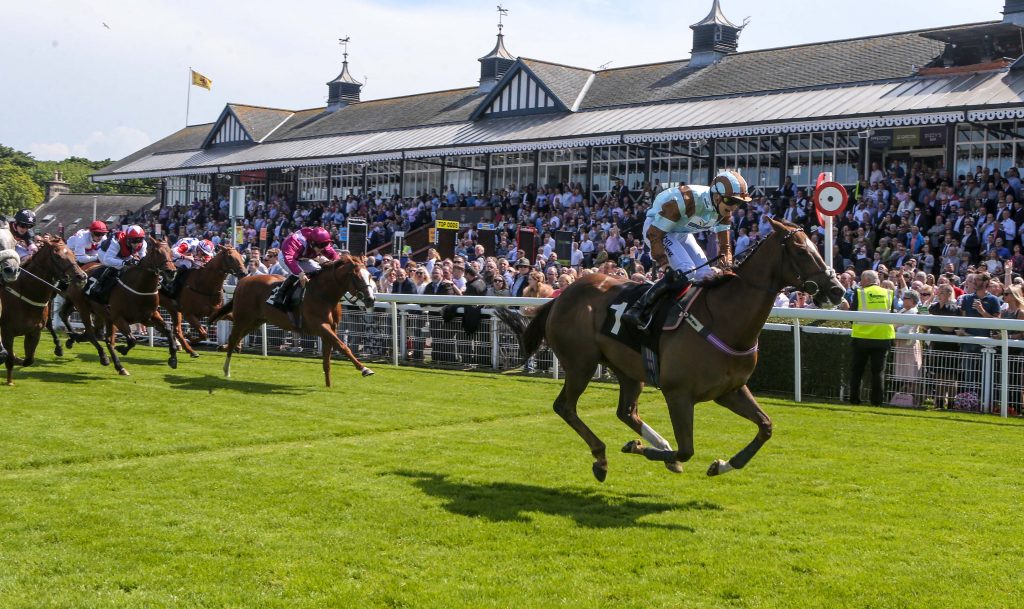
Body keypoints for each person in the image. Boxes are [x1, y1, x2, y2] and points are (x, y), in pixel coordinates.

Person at [622, 170, 752, 330]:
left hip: (681, 232)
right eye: (731, 201)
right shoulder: (685, 200)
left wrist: (727, 267)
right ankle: (639, 308)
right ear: (717, 196)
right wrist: (664, 264)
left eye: (738, 203)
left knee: (706, 274)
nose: (734, 207)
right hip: (656, 229)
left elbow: (725, 249)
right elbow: (654, 234)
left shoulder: (724, 210)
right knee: (686, 271)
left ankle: (698, 314)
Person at [849, 270, 896, 406]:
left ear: (865, 280)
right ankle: (876, 402)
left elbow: (852, 316)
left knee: (857, 371)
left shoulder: (860, 292)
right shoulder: (888, 293)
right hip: (882, 338)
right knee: (878, 372)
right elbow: (892, 314)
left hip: (861, 337)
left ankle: (854, 399)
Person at [267, 226, 338, 310]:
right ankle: (279, 295)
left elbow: (334, 256)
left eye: (324, 246)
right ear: (312, 243)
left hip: (303, 257)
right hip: (287, 258)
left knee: (318, 270)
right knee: (298, 274)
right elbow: (289, 259)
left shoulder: (321, 242)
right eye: (320, 247)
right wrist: (300, 273)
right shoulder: (296, 241)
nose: (323, 249)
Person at [87, 225, 148, 300]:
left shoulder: (143, 244)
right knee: (118, 267)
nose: (137, 244)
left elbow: (143, 259)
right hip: (105, 254)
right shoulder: (116, 242)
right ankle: (98, 285)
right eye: (134, 240)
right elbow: (107, 259)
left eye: (140, 240)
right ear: (127, 239)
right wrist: (124, 263)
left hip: (123, 255)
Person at [927, 284, 960, 409]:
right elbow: (923, 315)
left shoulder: (953, 308)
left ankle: (951, 403)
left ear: (948, 293)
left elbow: (949, 327)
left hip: (950, 347)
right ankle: (939, 402)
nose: (938, 295)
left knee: (950, 377)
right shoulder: (934, 307)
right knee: (938, 376)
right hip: (936, 345)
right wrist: (929, 298)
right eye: (937, 292)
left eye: (941, 292)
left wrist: (933, 320)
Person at [892, 290, 923, 404]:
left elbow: (905, 329)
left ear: (912, 301)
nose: (904, 300)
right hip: (901, 345)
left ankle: (914, 400)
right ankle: (904, 399)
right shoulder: (903, 310)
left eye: (906, 298)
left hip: (909, 346)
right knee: (904, 374)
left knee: (911, 374)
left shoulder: (914, 312)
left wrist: (894, 329)